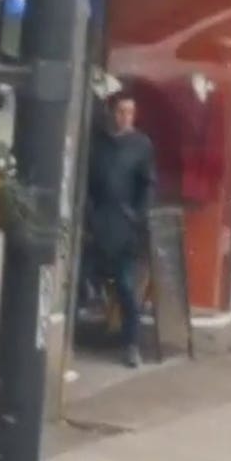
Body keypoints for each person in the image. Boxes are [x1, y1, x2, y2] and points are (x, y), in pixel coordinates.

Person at [82, 90, 155, 367]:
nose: (125, 118)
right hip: (98, 221)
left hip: (125, 226)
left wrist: (138, 215)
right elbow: (87, 180)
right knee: (83, 279)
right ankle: (82, 332)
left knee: (126, 286)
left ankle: (131, 344)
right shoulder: (99, 144)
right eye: (120, 112)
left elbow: (148, 183)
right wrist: (88, 213)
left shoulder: (141, 144)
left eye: (130, 113)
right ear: (111, 113)